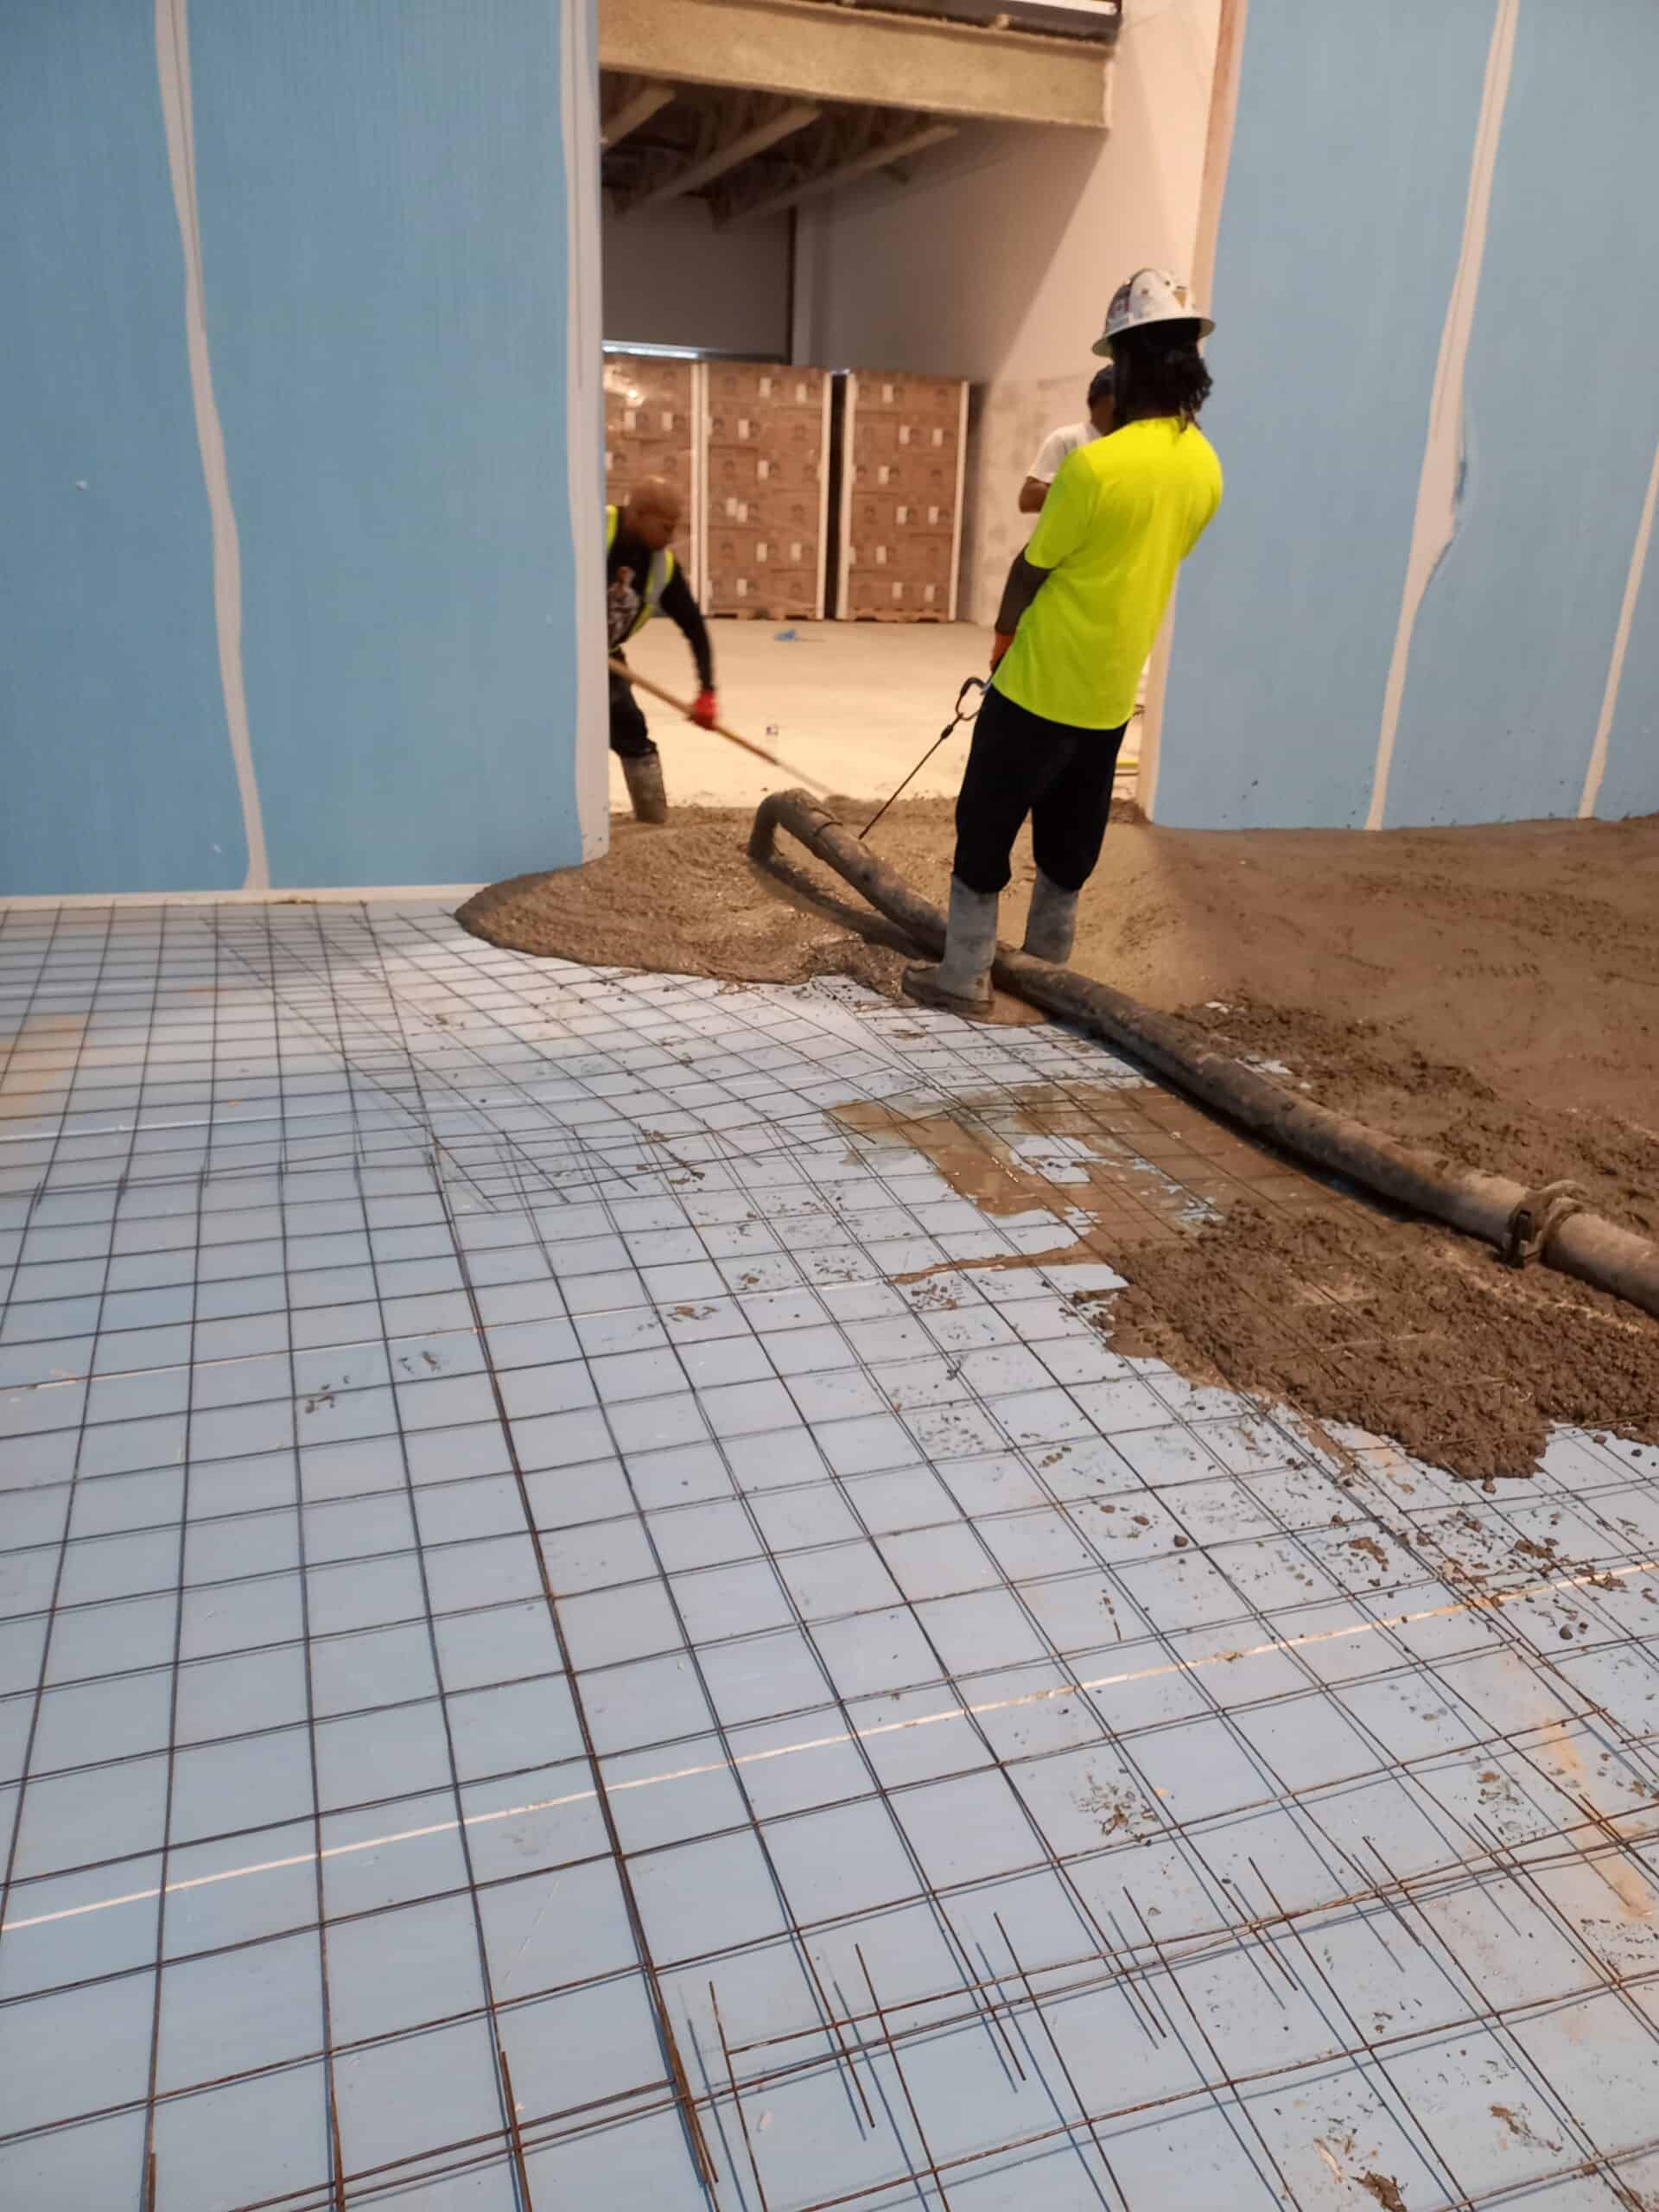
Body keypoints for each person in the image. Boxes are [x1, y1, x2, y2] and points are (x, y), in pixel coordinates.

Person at [905, 270, 1223, 1014]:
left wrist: (1001, 644)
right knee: (1071, 842)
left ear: (1129, 363)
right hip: (1111, 694)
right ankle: (1049, 982)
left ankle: (962, 980)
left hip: (1036, 685)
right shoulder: (1205, 467)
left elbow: (1032, 566)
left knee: (985, 826)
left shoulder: (1094, 466)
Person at [607, 476, 718, 823]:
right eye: (667, 527)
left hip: (606, 660)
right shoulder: (593, 528)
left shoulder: (662, 567)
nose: (672, 537)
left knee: (632, 733)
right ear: (638, 513)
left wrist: (707, 691)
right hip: (553, 655)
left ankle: (652, 824)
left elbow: (694, 628)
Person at [1018, 365, 1116, 513]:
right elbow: (1028, 499)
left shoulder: (1135, 444)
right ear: (1106, 400)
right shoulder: (1067, 438)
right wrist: (1085, 494)